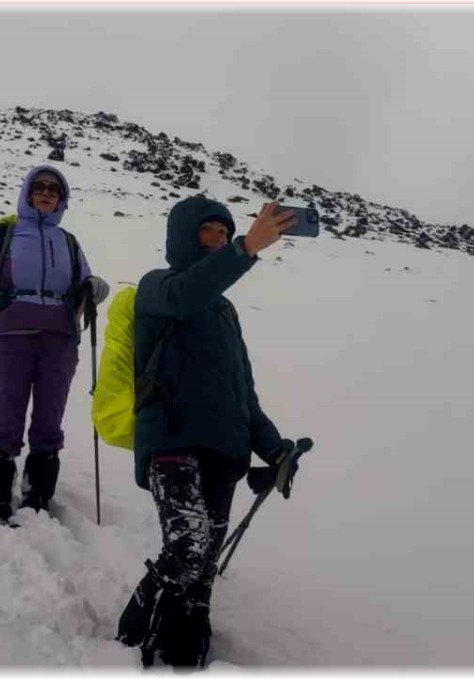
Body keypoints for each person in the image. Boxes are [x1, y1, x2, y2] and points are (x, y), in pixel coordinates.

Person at [115, 197, 304, 669]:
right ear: (183, 235)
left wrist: (274, 447)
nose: (218, 239)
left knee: (202, 572)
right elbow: (186, 295)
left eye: (225, 233)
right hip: (171, 440)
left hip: (225, 450)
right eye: (208, 232)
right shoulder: (157, 287)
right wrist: (245, 250)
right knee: (188, 546)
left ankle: (186, 647)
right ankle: (131, 632)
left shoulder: (225, 312)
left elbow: (244, 393)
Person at [0, 166, 109, 521]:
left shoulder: (69, 241)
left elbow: (83, 281)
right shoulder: (6, 231)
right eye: (39, 187)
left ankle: (38, 492)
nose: (45, 193)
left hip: (60, 334)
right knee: (8, 407)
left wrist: (94, 288)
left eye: (53, 189)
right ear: (28, 193)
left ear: (62, 199)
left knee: (50, 413)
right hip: (12, 328)